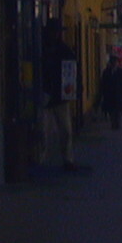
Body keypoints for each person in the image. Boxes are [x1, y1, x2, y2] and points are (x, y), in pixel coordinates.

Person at [41, 18, 79, 171]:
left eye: (57, 32)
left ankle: (67, 159)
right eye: (53, 32)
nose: (55, 35)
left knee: (66, 131)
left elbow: (72, 69)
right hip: (45, 94)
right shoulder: (42, 48)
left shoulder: (64, 50)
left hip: (60, 96)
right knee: (43, 131)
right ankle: (41, 159)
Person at [99, 52, 122, 130]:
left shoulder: (120, 72)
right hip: (110, 95)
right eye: (112, 61)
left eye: (115, 61)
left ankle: (117, 123)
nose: (114, 63)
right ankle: (113, 124)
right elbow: (103, 84)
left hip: (118, 95)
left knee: (117, 111)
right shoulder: (106, 72)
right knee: (111, 111)